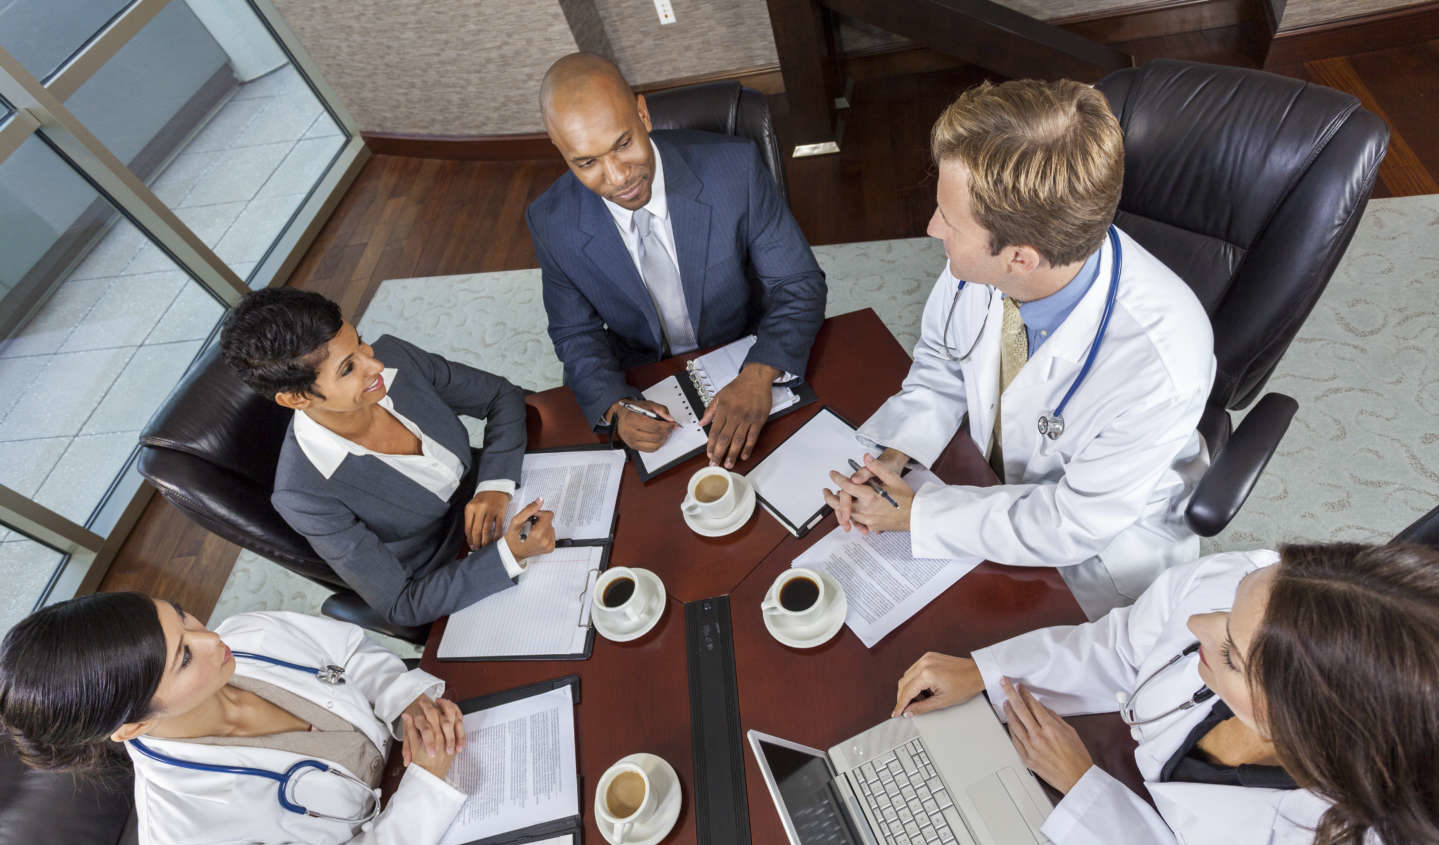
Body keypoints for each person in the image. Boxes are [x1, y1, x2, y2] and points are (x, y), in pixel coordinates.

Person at [826, 79, 1216, 619]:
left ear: (1021, 259)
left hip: (1099, 550)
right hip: (991, 482)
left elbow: (1069, 524)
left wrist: (920, 516)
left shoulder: (1161, 363)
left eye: (950, 222)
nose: (932, 227)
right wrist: (897, 452)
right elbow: (943, 360)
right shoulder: (986, 264)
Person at [891, 542, 1439, 844]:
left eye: (1230, 653)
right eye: (1229, 607)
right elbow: (1124, 644)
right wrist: (987, 672)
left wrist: (1085, 792)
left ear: (1303, 727)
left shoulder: (1323, 834)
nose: (1201, 622)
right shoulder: (1254, 579)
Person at [526, 53, 827, 468]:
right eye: (587, 162)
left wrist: (758, 374)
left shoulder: (734, 168)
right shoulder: (550, 221)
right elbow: (575, 332)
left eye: (623, 144)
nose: (617, 178)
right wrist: (614, 406)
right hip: (643, 373)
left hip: (740, 346)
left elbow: (798, 283)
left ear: (643, 114)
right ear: (560, 151)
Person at [0, 592, 469, 844]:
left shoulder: (251, 633)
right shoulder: (187, 830)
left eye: (183, 618)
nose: (212, 640)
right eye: (183, 658)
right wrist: (425, 789)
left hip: (447, 750)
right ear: (133, 727)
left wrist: (405, 699)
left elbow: (350, 652)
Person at [221, 288, 555, 627]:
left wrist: (494, 485)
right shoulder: (303, 495)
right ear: (295, 399)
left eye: (360, 343)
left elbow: (501, 395)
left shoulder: (395, 356)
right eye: (348, 368)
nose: (375, 363)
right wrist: (508, 555)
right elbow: (401, 604)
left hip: (507, 486)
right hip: (454, 570)